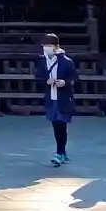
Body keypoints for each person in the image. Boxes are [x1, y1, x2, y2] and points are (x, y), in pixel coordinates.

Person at [35, 34, 78, 166]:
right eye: (45, 45)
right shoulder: (42, 61)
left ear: (56, 46)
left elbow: (75, 78)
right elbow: (38, 77)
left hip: (63, 98)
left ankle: (59, 153)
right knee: (56, 126)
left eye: (49, 45)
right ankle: (62, 152)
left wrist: (64, 82)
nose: (46, 48)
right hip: (51, 98)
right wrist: (46, 81)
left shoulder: (66, 62)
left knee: (61, 125)